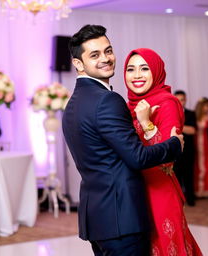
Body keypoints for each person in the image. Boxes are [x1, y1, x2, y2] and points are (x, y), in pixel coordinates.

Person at [62, 25, 183, 256]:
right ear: (78, 63)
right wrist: (174, 144)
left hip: (97, 218)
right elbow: (137, 157)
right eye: (95, 55)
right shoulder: (107, 100)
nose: (106, 59)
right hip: (122, 219)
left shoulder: (73, 104)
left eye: (108, 51)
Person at [124, 48, 202, 256]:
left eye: (144, 68)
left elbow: (168, 157)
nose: (137, 75)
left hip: (159, 190)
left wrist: (146, 122)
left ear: (156, 71)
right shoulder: (127, 106)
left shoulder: (167, 103)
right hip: (134, 191)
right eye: (131, 69)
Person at [173, 90, 197, 206]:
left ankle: (191, 200)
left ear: (185, 100)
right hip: (174, 151)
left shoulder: (191, 114)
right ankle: (178, 201)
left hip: (188, 151)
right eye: (177, 99)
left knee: (189, 176)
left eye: (182, 99)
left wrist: (177, 126)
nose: (180, 102)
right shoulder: (169, 112)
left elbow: (192, 130)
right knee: (176, 178)